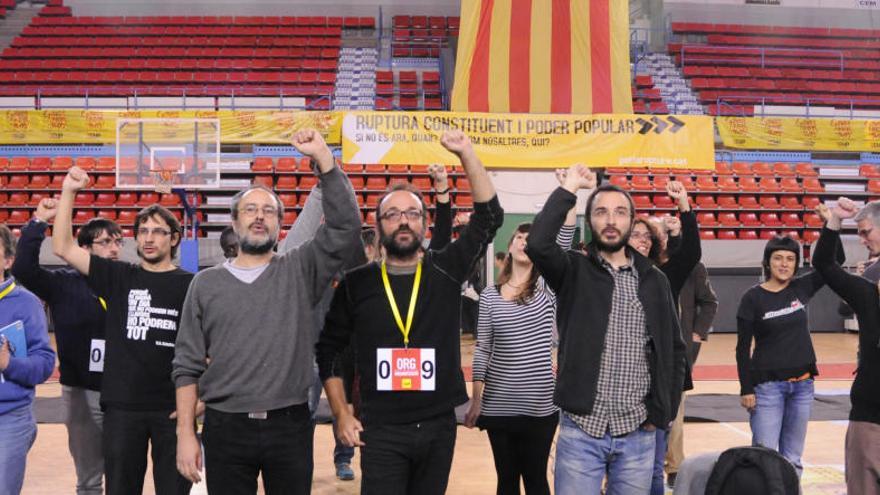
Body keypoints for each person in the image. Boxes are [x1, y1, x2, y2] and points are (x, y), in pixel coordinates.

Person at [172, 129, 361, 495]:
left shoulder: (300, 269)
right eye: (250, 210)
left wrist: (325, 160)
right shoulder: (205, 285)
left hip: (288, 425)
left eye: (269, 211)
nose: (259, 217)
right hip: (225, 427)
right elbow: (186, 364)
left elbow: (346, 226)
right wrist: (185, 434)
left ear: (279, 224)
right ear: (234, 222)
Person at [317, 130, 503, 495]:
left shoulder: (447, 268)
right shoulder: (357, 283)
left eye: (412, 213)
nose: (403, 221)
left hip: (437, 425)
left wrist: (466, 152)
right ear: (378, 225)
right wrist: (341, 411)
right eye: (392, 214)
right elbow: (329, 351)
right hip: (380, 427)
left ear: (425, 223)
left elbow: (489, 216)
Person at [526, 164, 686, 495]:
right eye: (601, 212)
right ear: (590, 220)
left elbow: (674, 349)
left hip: (638, 432)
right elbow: (539, 244)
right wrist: (570, 187)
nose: (611, 220)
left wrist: (663, 412)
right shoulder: (573, 269)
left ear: (632, 221)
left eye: (619, 213)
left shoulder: (654, 280)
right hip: (581, 429)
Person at [52, 166, 194, 495]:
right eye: (142, 230)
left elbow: (213, 346)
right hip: (122, 408)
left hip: (171, 409)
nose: (148, 237)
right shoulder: (118, 276)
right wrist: (69, 191)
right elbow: (62, 246)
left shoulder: (192, 285)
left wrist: (199, 401)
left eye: (158, 231)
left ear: (174, 238)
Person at [462, 168, 576, 495]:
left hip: (540, 405)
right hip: (498, 404)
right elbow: (483, 349)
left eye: (531, 238)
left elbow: (564, 240)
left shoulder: (548, 288)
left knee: (537, 480)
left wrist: (566, 190)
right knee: (506, 482)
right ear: (509, 247)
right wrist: (476, 400)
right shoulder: (489, 295)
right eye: (519, 237)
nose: (525, 242)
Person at [12, 204, 123, 495]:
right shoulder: (62, 283)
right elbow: (23, 267)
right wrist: (38, 223)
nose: (114, 248)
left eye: (118, 241)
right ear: (83, 248)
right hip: (80, 390)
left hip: (124, 391)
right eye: (105, 241)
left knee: (124, 473)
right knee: (88, 479)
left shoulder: (127, 282)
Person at [735, 234, 832, 478]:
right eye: (777, 258)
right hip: (767, 389)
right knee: (764, 458)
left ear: (796, 263)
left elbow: (834, 260)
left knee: (793, 460)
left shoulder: (801, 288)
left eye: (790, 259)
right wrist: (746, 388)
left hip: (803, 387)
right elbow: (742, 348)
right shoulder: (752, 298)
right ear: (767, 262)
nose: (784, 264)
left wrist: (833, 224)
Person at [628, 181, 701, 494]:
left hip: (657, 381)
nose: (642, 241)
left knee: (655, 467)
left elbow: (693, 251)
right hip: (620, 380)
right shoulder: (601, 278)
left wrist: (683, 204)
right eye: (636, 234)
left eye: (647, 236)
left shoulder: (664, 276)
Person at [813, 199, 880, 495]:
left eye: (866, 232)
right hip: (870, 415)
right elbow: (824, 264)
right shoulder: (867, 294)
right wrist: (835, 221)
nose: (862, 240)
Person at [0, 224, 56, 495]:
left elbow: (44, 364)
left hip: (9, 417)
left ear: (8, 260)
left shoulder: (26, 303)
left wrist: (8, 364)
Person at [666, 261, 717, 487]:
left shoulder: (693, 266)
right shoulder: (642, 260)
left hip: (680, 351)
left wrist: (696, 334)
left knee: (675, 410)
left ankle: (675, 465)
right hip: (646, 347)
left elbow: (709, 302)